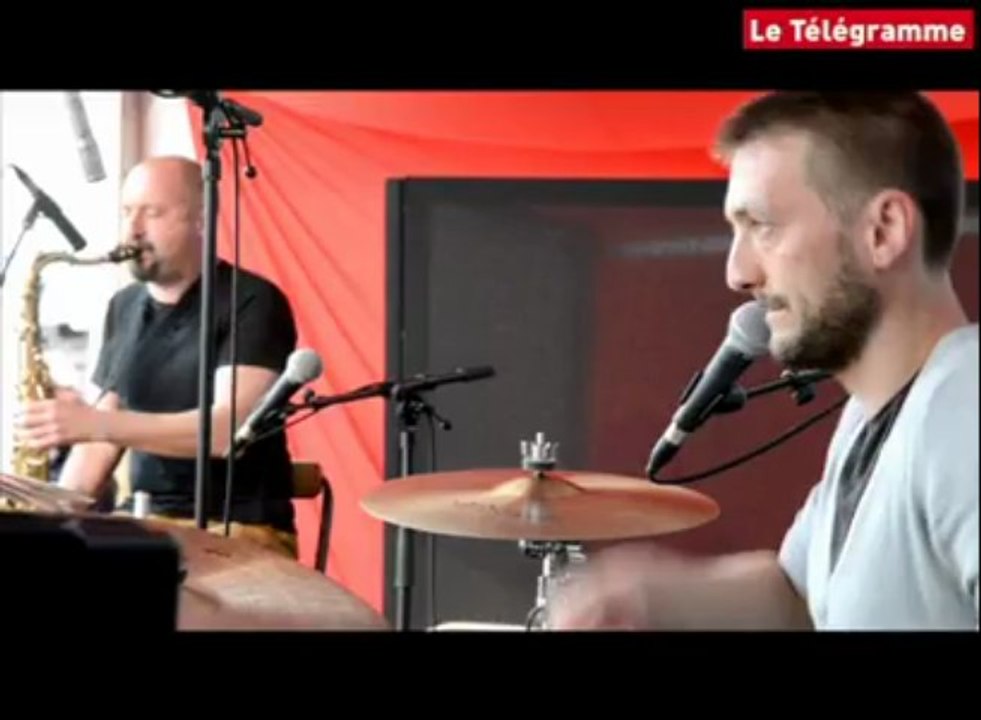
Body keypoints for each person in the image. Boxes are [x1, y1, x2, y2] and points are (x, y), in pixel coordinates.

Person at [551, 92, 978, 631]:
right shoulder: (873, 417)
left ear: (883, 231)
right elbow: (800, 597)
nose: (738, 273)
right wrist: (646, 593)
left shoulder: (963, 404)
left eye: (763, 226)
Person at [14, 156, 302, 556]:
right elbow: (99, 444)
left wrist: (96, 424)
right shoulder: (123, 306)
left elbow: (228, 432)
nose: (132, 228)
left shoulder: (252, 300)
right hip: (143, 523)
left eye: (152, 213)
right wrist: (40, 510)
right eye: (127, 211)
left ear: (200, 220)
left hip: (239, 530)